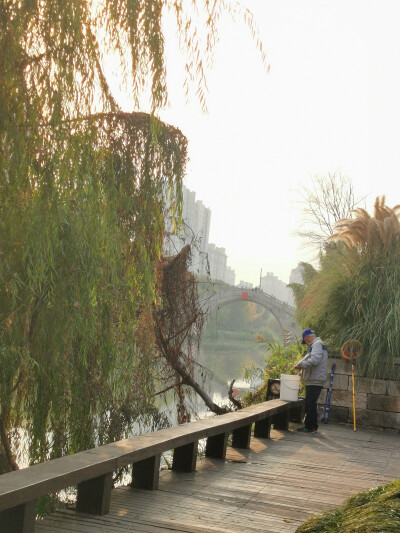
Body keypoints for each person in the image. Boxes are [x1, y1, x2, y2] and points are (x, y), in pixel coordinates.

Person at [294, 328, 328, 433]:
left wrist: (301, 365)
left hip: (315, 379)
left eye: (305, 341)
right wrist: (303, 371)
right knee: (311, 402)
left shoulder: (317, 344)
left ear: (307, 337)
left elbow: (315, 360)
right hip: (315, 378)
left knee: (310, 403)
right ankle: (312, 426)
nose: (306, 343)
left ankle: (309, 427)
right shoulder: (318, 344)